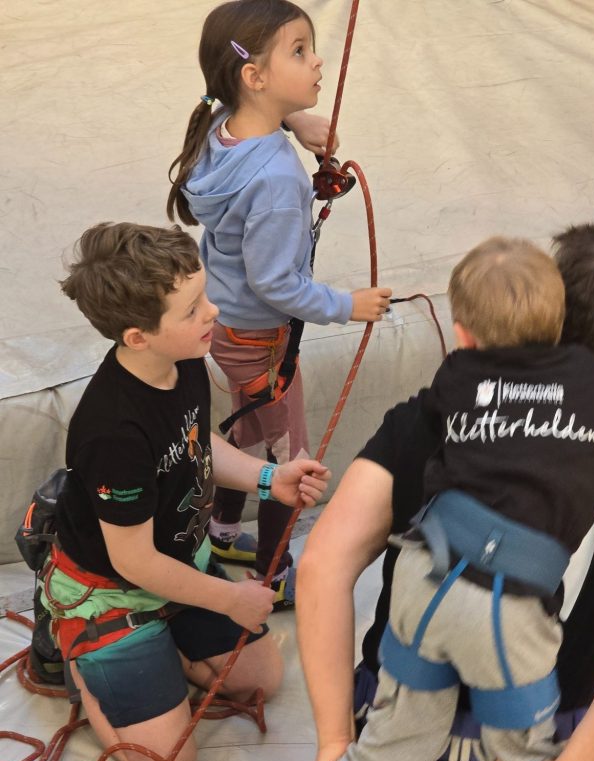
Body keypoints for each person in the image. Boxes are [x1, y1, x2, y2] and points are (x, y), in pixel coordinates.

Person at [297, 224, 594, 761]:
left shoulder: (442, 407)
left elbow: (321, 565)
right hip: (528, 734)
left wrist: (333, 738)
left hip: (399, 702)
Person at [45, 222, 330, 761]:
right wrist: (228, 599)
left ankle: (164, 644)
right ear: (137, 337)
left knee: (261, 680)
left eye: (205, 295)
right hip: (116, 590)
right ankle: (80, 652)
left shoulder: (185, 359)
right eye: (193, 307)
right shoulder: (113, 433)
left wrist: (269, 479)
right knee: (164, 760)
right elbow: (133, 560)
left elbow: (197, 443)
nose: (214, 312)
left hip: (180, 569)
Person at [166, 0, 392, 600]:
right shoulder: (277, 181)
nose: (318, 60)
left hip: (225, 327)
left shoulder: (220, 131)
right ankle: (275, 573)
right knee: (287, 461)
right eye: (300, 50)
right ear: (254, 77)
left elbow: (251, 118)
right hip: (264, 342)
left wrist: (293, 122)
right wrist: (351, 305)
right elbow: (278, 285)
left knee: (242, 432)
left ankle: (218, 530)